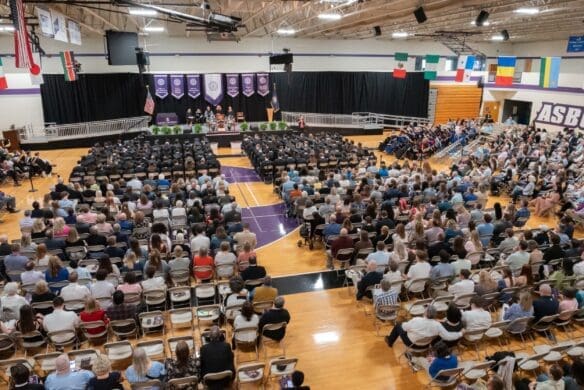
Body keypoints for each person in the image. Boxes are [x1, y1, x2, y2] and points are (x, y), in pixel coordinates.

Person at [385, 305, 462, 348]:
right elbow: (448, 337)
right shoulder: (438, 325)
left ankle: (390, 341)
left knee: (398, 325)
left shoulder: (417, 320)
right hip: (426, 345)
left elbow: (404, 328)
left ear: (425, 313)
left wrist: (406, 324)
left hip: (411, 343)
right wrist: (460, 333)